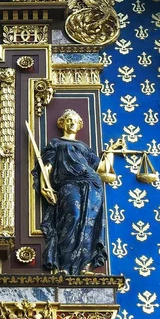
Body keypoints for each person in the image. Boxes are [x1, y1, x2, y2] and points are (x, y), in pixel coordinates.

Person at [32, 109, 111, 275]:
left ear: (80, 125)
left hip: (92, 186)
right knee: (73, 218)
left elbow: (102, 169)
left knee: (89, 224)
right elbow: (47, 167)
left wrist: (110, 152)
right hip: (68, 184)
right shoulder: (56, 144)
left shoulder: (85, 148)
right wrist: (45, 186)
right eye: (68, 120)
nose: (72, 123)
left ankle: (84, 267)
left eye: (75, 120)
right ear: (62, 123)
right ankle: (65, 267)